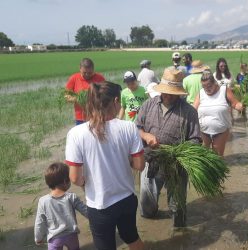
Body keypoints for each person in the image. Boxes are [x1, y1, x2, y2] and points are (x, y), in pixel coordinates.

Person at [65, 81, 145, 250]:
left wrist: (85, 182)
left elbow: (74, 178)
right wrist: (124, 160)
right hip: (127, 199)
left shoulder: (76, 134)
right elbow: (139, 165)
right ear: (116, 101)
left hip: (100, 205)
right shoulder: (129, 127)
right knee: (131, 237)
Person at [136, 68, 201, 228]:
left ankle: (179, 230)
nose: (168, 95)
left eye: (173, 92)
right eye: (166, 91)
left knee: (177, 206)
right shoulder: (148, 105)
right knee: (146, 202)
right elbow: (136, 128)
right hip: (150, 160)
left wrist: (178, 153)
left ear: (179, 93)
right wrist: (146, 136)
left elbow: (196, 139)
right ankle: (150, 225)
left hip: (176, 165)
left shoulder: (189, 112)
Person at [34, 162, 88, 250]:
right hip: (72, 235)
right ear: (64, 181)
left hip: (54, 237)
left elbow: (39, 222)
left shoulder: (43, 201)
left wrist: (38, 238)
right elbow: (85, 211)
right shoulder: (71, 197)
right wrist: (97, 219)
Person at [193, 70, 243, 156]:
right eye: (204, 86)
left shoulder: (224, 90)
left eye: (209, 85)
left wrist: (240, 106)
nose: (207, 89)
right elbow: (193, 109)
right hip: (203, 131)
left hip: (221, 131)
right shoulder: (201, 93)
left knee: (217, 156)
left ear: (215, 83)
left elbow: (235, 103)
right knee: (202, 155)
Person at [65, 58, 105, 125]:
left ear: (93, 70)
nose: (87, 75)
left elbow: (106, 94)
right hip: (80, 118)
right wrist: (79, 99)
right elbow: (66, 96)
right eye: (84, 72)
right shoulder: (74, 78)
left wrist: (95, 98)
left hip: (96, 116)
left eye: (90, 73)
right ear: (80, 69)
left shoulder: (99, 78)